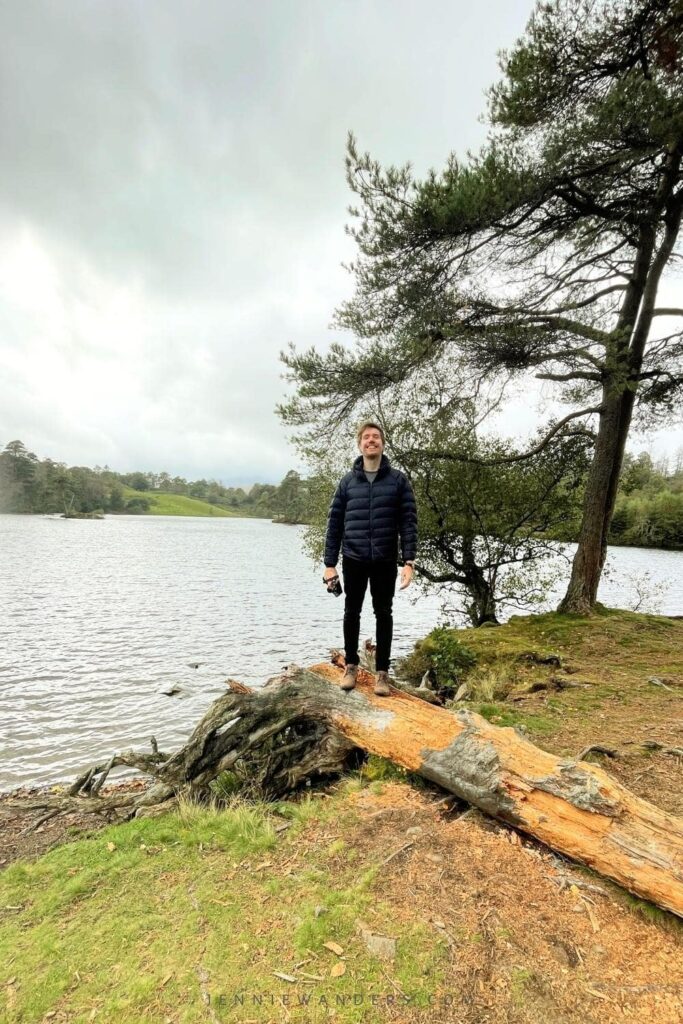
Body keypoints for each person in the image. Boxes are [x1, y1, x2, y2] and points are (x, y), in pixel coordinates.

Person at [323, 421, 418, 696]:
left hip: (385, 560)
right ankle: (351, 665)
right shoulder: (347, 482)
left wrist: (408, 562)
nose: (371, 441)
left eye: (376, 437)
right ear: (360, 444)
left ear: (382, 444)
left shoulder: (398, 481)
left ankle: (382, 674)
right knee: (351, 612)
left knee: (383, 614)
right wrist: (330, 564)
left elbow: (408, 523)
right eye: (366, 437)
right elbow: (334, 525)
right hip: (353, 558)